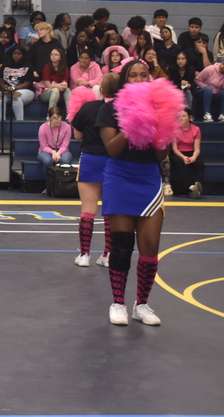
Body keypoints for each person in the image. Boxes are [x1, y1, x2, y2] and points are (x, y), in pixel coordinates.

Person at [96, 60, 167, 326]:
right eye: (132, 75)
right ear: (125, 80)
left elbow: (161, 154)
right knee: (122, 245)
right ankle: (117, 303)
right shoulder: (110, 109)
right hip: (119, 177)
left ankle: (142, 304)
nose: (138, 79)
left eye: (143, 75)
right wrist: (135, 122)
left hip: (149, 178)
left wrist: (160, 126)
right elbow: (112, 149)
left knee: (149, 246)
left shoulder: (161, 109)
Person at [71, 73, 115, 268]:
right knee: (110, 211)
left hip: (90, 159)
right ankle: (107, 255)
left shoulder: (88, 107)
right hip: (113, 162)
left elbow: (77, 135)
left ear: (101, 90)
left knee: (88, 210)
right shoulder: (121, 110)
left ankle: (84, 255)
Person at [169, 107, 204, 199]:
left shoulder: (196, 129)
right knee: (178, 162)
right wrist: (183, 157)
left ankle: (197, 185)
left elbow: (197, 149)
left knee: (200, 164)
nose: (181, 118)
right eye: (179, 116)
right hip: (178, 153)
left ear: (190, 117)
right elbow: (174, 149)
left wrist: (194, 157)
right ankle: (190, 187)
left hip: (191, 152)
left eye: (184, 116)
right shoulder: (174, 130)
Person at [0, 47, 34, 121]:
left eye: (19, 54)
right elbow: (0, 79)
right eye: (14, 53)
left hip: (25, 90)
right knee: (0, 97)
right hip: (8, 89)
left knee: (15, 97)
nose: (16, 56)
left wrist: (14, 88)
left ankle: (19, 121)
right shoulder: (6, 65)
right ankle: (1, 121)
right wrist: (5, 88)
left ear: (23, 55)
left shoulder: (28, 66)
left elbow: (27, 83)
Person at [36, 46, 71, 112]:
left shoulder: (65, 69)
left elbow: (65, 83)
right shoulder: (47, 67)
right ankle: (51, 114)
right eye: (52, 54)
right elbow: (48, 85)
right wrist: (58, 86)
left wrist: (63, 86)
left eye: (56, 55)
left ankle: (70, 113)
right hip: (45, 92)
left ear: (61, 57)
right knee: (55, 90)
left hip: (60, 92)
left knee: (68, 90)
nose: (53, 56)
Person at [38, 106, 72, 171]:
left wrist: (58, 153)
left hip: (62, 150)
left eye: (58, 118)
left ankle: (63, 180)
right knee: (48, 161)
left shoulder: (67, 127)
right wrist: (53, 152)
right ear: (50, 117)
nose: (56, 120)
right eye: (54, 118)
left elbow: (65, 145)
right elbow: (43, 146)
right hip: (46, 151)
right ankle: (48, 180)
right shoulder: (43, 128)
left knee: (65, 159)